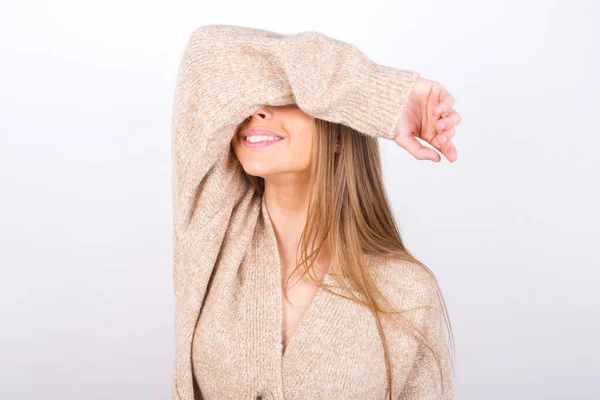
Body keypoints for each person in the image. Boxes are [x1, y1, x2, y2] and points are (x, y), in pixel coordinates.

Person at [170, 24, 461, 400]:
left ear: (340, 131)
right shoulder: (214, 232)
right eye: (253, 96)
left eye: (289, 97)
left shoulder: (406, 291)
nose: (256, 109)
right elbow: (207, 54)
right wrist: (382, 93)